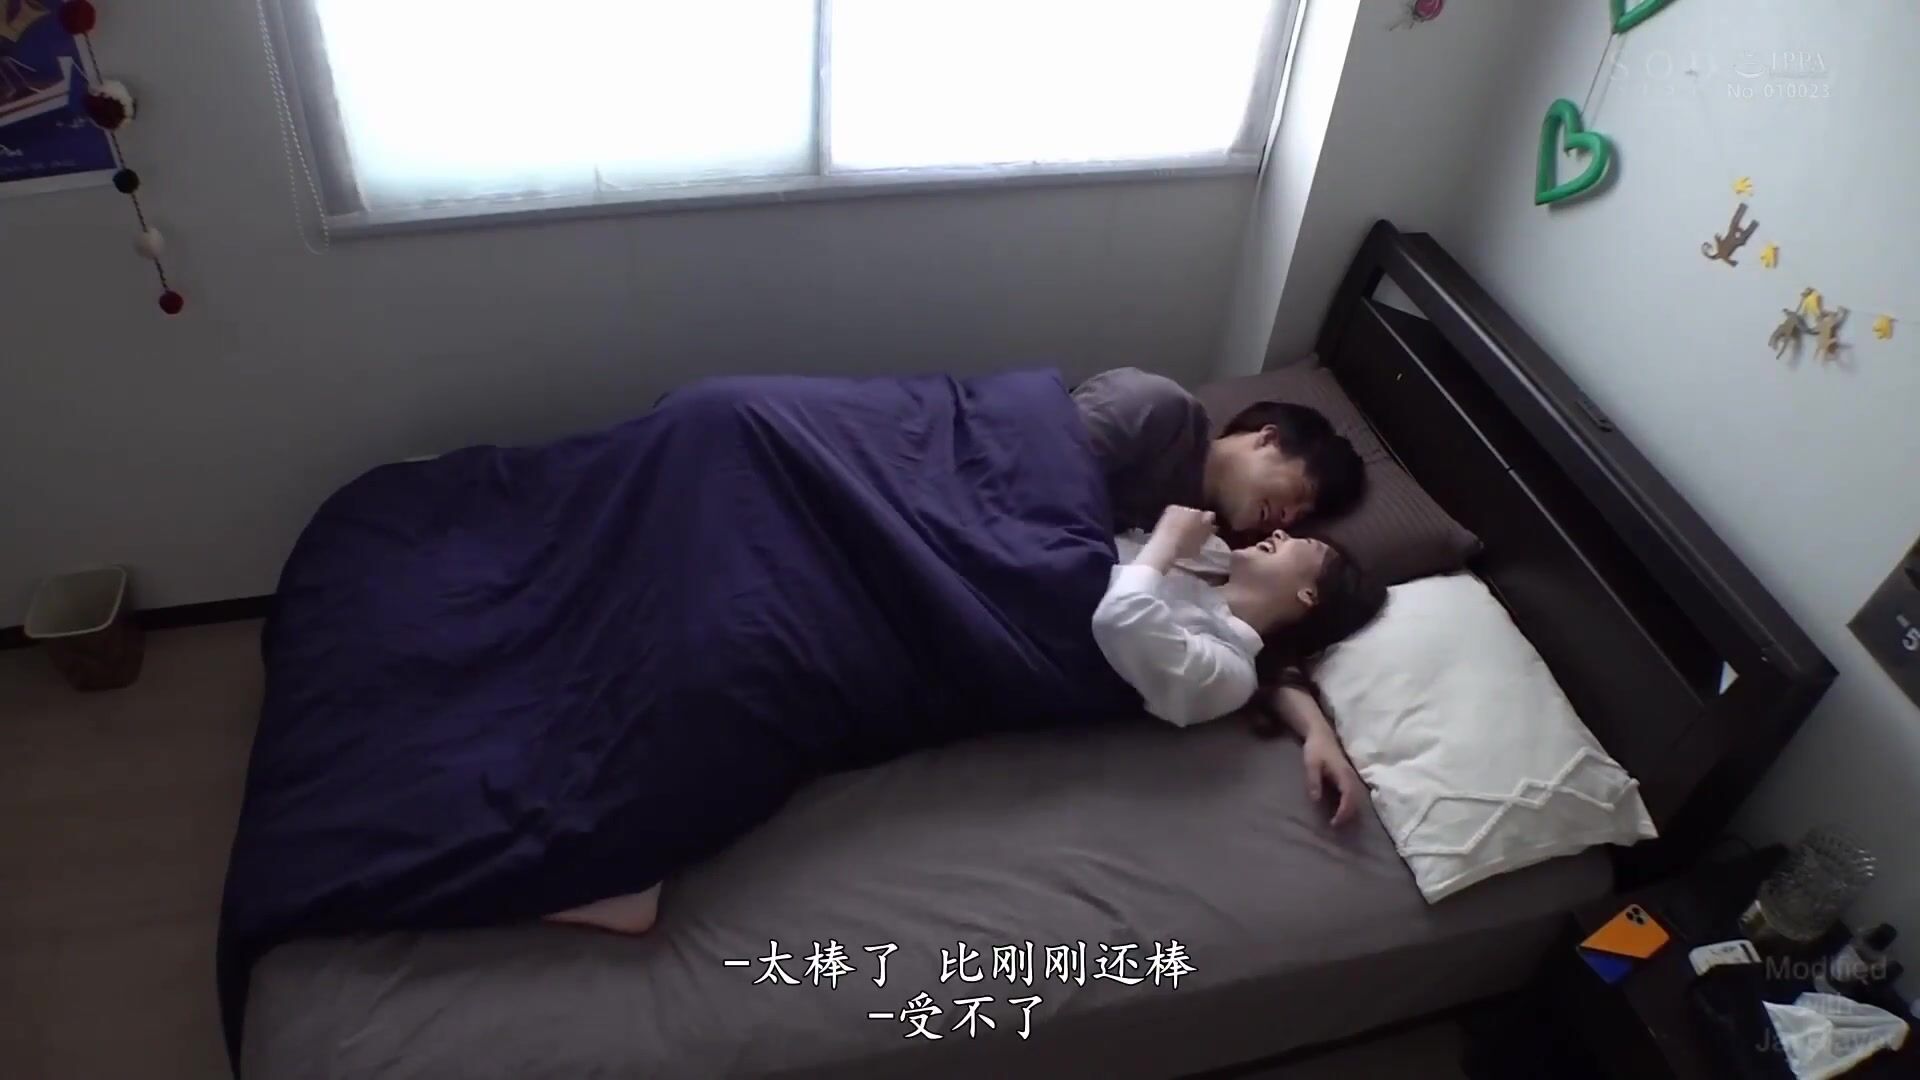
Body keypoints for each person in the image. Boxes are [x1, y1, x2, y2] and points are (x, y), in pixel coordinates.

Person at [1091, 505, 1386, 826]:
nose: (1279, 532)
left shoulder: (1230, 672)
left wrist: (1168, 539)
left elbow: (1119, 619)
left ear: (1308, 594)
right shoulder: (1213, 554)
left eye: (1305, 543)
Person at [1072, 367, 1365, 537]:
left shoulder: (1202, 542)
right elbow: (1050, 464)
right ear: (1268, 438)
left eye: (1300, 517)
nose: (1286, 520)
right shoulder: (1160, 408)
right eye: (1299, 492)